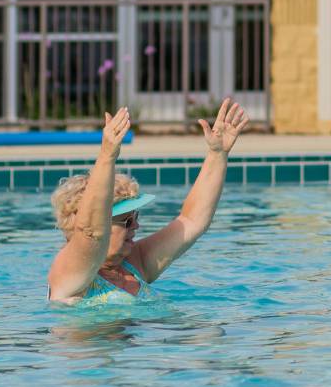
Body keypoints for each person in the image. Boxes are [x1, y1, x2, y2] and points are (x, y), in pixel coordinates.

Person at [48, 99, 248, 305]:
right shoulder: (70, 271)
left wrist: (218, 154)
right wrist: (107, 155)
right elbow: (90, 231)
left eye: (135, 217)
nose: (136, 226)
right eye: (127, 221)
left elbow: (191, 221)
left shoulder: (135, 263)